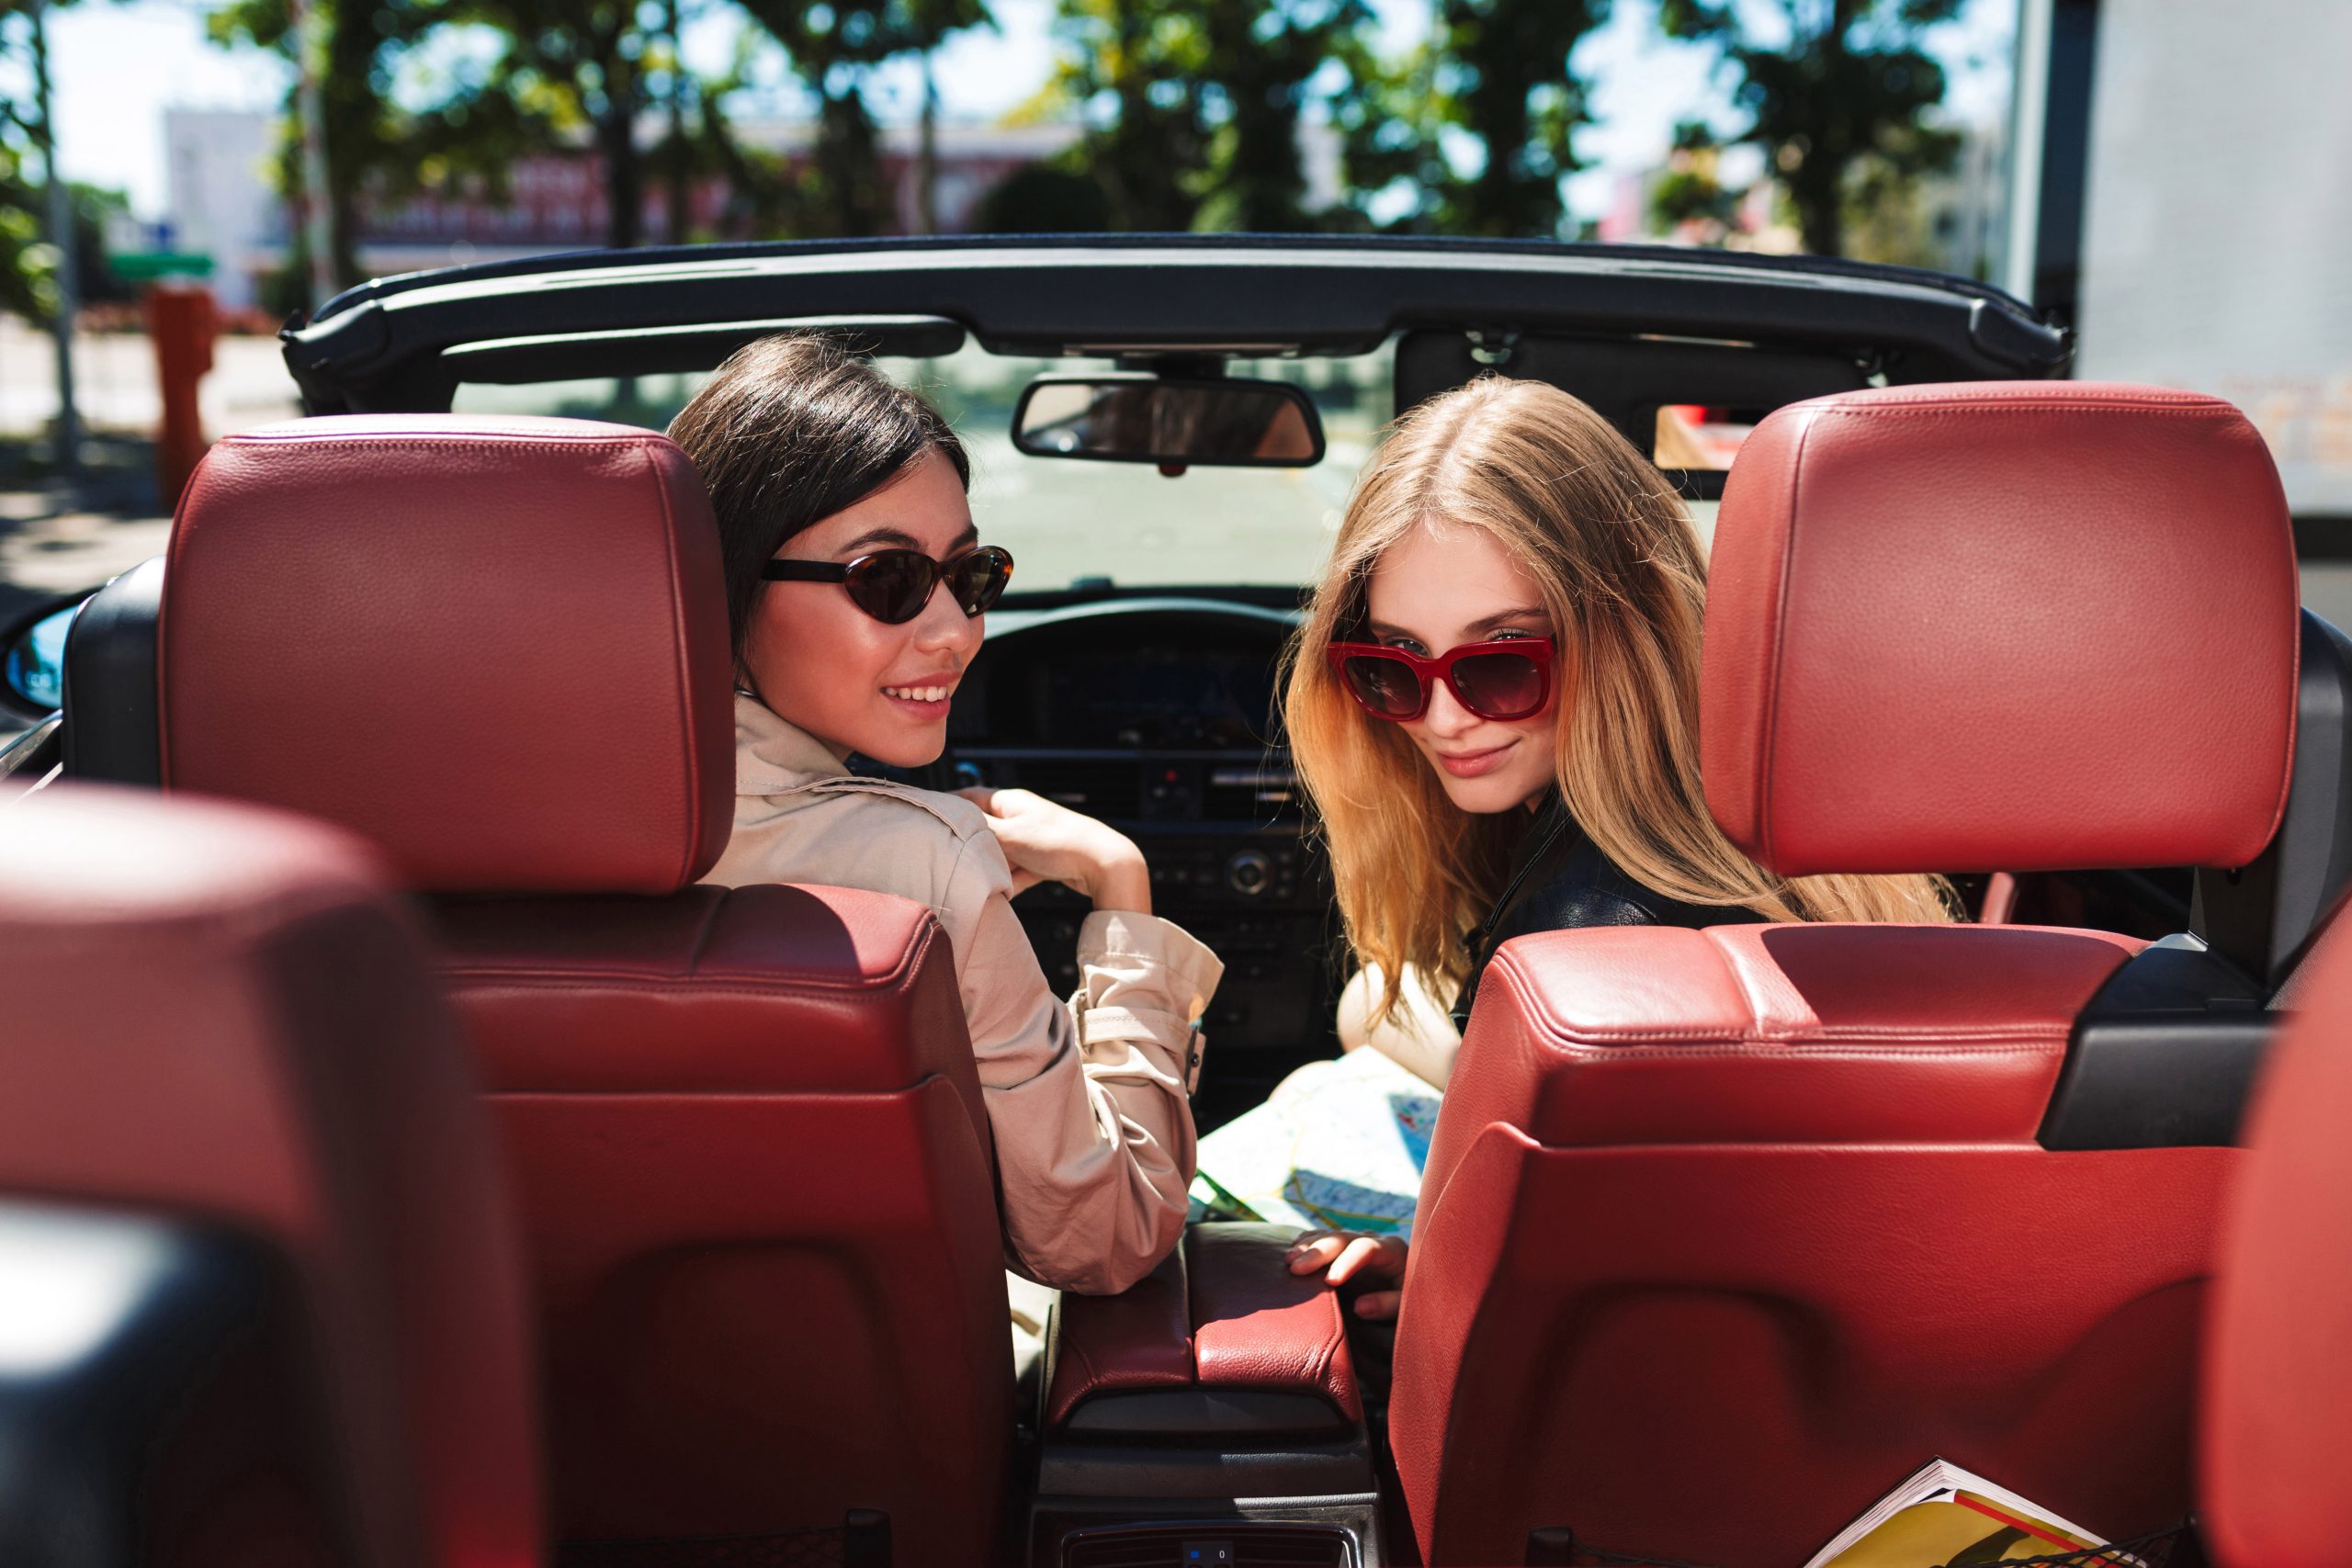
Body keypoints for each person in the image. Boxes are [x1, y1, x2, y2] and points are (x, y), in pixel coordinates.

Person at [1276, 376, 1951, 1318]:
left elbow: (1537, 1304)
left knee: (1348, 1039)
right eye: (1388, 668)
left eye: (1501, 662)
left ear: (1625, 630)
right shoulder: (1772, 794)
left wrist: (1428, 1263)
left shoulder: (1583, 949)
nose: (1440, 720)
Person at [671, 333, 1223, 1312]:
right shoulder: (926, 864)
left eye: (971, 576)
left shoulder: (489, 831)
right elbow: (1108, 1237)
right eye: (885, 580)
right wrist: (1118, 881)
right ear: (726, 580)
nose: (957, 631)